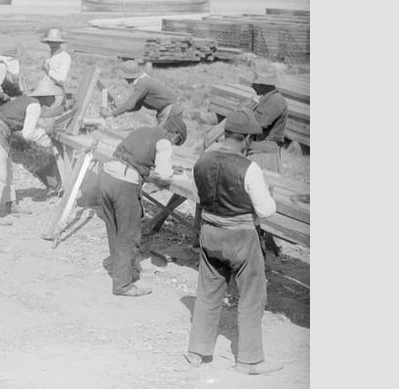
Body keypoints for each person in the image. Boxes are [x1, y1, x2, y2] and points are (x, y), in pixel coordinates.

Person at [185, 109, 282, 376]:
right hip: (241, 238)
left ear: (227, 134)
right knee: (251, 297)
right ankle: (249, 361)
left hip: (210, 233)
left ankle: (198, 350)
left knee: (207, 292)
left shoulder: (202, 160)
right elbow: (265, 211)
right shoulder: (249, 168)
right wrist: (267, 196)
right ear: (247, 140)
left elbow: (195, 195)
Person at [99, 117, 188, 297]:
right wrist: (174, 175)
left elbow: (135, 160)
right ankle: (123, 285)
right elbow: (163, 175)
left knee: (114, 229)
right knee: (129, 234)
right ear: (176, 134)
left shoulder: (143, 131)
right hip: (124, 183)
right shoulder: (164, 141)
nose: (174, 144)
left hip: (107, 177)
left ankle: (118, 268)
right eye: (177, 142)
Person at [0, 78, 63, 226]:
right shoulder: (34, 105)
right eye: (52, 96)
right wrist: (45, 132)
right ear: (44, 96)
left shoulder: (29, 100)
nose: (54, 99)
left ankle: (10, 204)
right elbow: (28, 134)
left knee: (7, 172)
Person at [101, 60, 183, 126]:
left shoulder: (142, 84)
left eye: (125, 77)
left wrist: (111, 114)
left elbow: (129, 105)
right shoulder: (141, 82)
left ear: (129, 76)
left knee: (161, 137)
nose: (125, 80)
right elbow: (137, 106)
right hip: (165, 109)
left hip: (170, 109)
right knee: (159, 137)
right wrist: (117, 109)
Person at [247, 64, 288, 173]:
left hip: (264, 156)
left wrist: (246, 110)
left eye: (255, 83)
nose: (252, 86)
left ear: (265, 84)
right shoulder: (265, 99)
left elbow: (255, 124)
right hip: (257, 151)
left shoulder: (276, 101)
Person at [40, 28, 71, 110]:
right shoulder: (51, 56)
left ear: (59, 43)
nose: (51, 45)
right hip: (46, 91)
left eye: (54, 42)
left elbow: (61, 79)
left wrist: (48, 71)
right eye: (50, 42)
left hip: (55, 93)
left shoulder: (64, 57)